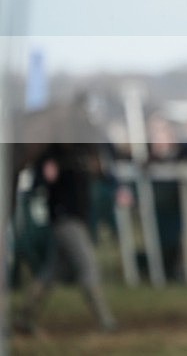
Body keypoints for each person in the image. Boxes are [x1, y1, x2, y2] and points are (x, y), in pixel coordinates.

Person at [16, 142, 118, 334]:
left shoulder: (83, 150)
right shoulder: (52, 154)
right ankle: (106, 321)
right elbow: (40, 181)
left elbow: (103, 172)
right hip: (66, 220)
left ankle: (24, 317)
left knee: (50, 272)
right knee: (88, 267)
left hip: (74, 219)